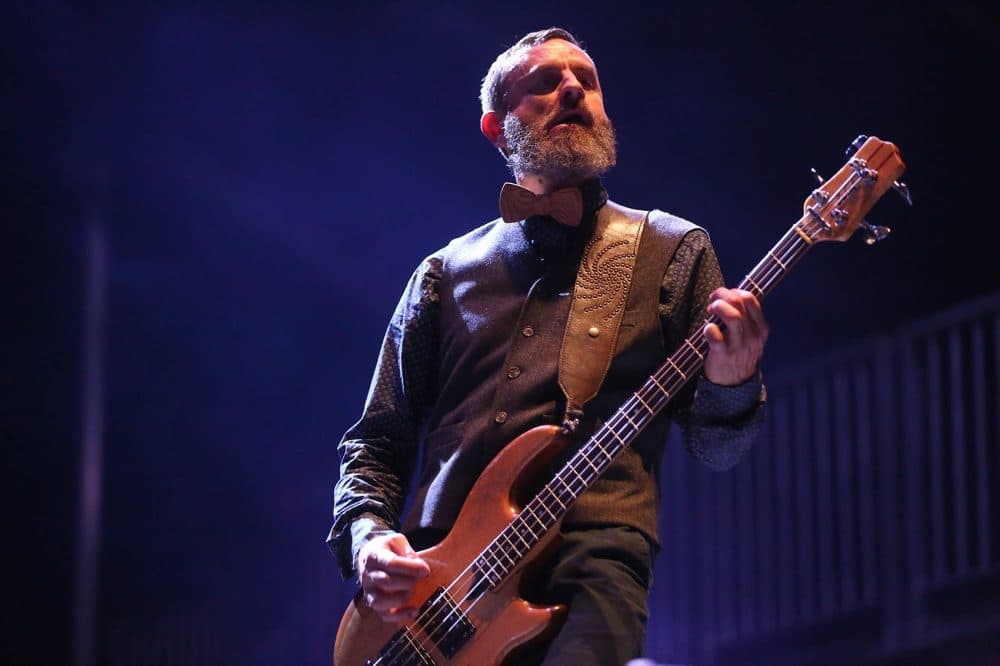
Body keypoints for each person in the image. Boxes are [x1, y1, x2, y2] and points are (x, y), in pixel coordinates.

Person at [328, 27, 768, 665]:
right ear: (496, 128)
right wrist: (369, 539)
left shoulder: (673, 250)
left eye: (585, 81)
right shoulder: (443, 274)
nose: (571, 89)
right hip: (435, 594)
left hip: (593, 566)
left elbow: (720, 451)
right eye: (544, 83)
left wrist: (734, 382)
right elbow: (376, 441)